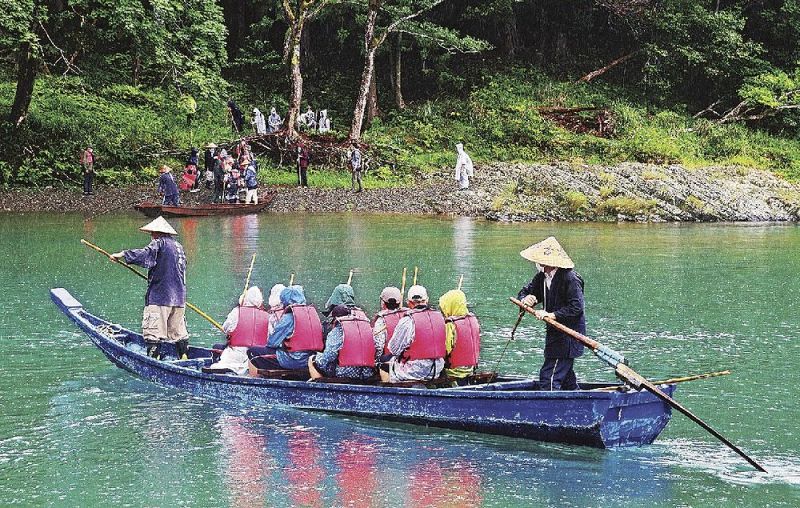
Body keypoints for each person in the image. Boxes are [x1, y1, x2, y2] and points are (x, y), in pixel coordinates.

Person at [110, 216, 188, 360]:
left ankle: (153, 360)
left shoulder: (160, 243)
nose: (151, 236)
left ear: (157, 233)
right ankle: (183, 356)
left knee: (153, 333)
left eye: (152, 233)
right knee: (178, 332)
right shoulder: (179, 247)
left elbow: (146, 254)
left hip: (161, 296)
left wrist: (122, 255)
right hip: (179, 298)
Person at [517, 236, 585, 391]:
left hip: (568, 337)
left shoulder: (570, 278)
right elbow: (526, 292)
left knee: (549, 377)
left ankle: (550, 410)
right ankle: (576, 406)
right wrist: (526, 298)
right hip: (554, 336)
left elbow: (576, 308)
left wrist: (552, 315)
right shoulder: (542, 277)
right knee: (567, 380)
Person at [379, 285, 446, 383]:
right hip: (437, 368)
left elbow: (394, 349)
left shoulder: (408, 320)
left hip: (416, 371)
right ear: (426, 300)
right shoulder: (440, 317)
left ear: (409, 302)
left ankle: (390, 393)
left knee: (383, 365)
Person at [249, 285, 322, 371]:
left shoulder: (288, 317)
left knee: (253, 351)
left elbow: (272, 343)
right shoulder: (313, 314)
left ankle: (268, 378)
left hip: (292, 360)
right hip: (311, 359)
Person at [208, 286, 268, 375]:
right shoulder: (267, 315)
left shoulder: (236, 311)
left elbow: (226, 328)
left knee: (219, 356)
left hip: (236, 353)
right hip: (257, 357)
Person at [308, 304, 377, 381]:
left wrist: (320, 359)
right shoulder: (365, 329)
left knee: (312, 359)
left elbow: (330, 356)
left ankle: (319, 387)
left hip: (343, 373)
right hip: (365, 373)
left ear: (335, 319)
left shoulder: (337, 331)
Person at [439, 289, 480, 381]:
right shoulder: (473, 320)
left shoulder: (450, 325)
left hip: (453, 372)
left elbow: (445, 351)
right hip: (470, 369)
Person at [372, 286, 407, 357]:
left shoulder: (381, 320)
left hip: (389, 360)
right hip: (407, 358)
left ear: (383, 303)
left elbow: (379, 346)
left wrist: (377, 360)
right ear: (399, 302)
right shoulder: (408, 315)